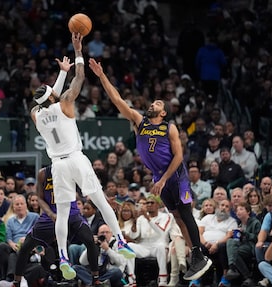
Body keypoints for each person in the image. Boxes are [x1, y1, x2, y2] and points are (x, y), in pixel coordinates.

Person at [89, 57, 211, 280]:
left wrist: (164, 179)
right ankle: (197, 256)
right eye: (153, 103)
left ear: (163, 113)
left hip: (176, 175)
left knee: (185, 212)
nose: (152, 104)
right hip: (159, 178)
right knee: (177, 217)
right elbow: (117, 100)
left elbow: (179, 157)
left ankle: (198, 254)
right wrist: (101, 76)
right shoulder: (139, 122)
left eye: (157, 104)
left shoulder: (169, 128)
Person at [30, 33, 135, 280]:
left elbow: (48, 97)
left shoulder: (36, 114)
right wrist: (78, 52)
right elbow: (80, 77)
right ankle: (119, 240)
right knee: (99, 200)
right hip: (76, 159)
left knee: (63, 212)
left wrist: (60, 75)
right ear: (54, 96)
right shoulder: (65, 102)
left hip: (57, 165)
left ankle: (64, 255)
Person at [7, 165, 101, 287]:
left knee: (90, 240)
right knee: (25, 247)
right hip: (50, 216)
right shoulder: (43, 173)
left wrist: (104, 201)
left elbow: (90, 188)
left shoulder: (72, 169)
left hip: (71, 214)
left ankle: (95, 279)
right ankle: (16, 281)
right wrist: (51, 213)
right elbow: (39, 199)